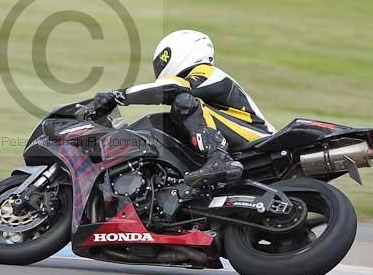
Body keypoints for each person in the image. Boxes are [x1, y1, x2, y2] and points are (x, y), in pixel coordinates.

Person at [91, 30, 275, 188]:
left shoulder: (207, 72)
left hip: (259, 138)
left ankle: (219, 158)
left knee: (183, 102)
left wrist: (118, 95)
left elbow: (174, 88)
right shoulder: (204, 87)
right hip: (247, 147)